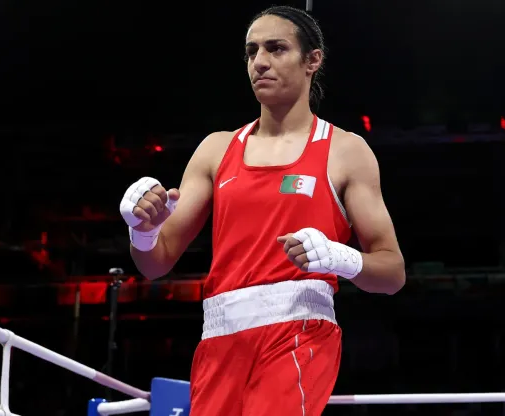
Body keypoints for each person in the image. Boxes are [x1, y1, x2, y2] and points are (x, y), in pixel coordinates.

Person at [119, 5, 405, 415]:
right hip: (219, 339)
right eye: (252, 51)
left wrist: (341, 258)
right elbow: (154, 264)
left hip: (299, 333)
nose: (260, 62)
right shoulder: (216, 149)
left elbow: (392, 273)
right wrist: (142, 229)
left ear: (313, 60)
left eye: (276, 48)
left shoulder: (345, 151)